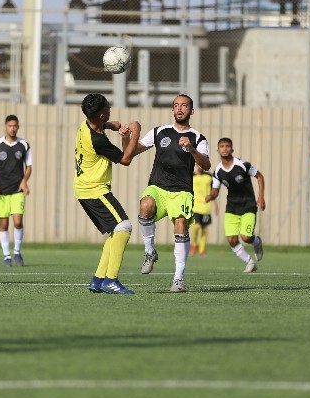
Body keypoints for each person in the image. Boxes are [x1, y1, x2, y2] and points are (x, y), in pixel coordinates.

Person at [134, 94, 211, 293]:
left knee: (181, 225)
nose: (179, 109)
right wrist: (127, 137)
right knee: (145, 205)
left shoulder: (198, 138)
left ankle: (178, 279)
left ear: (191, 111)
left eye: (184, 106)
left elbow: (206, 164)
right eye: (176, 105)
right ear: (172, 109)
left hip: (181, 190)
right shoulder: (159, 131)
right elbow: (133, 150)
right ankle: (150, 252)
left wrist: (191, 149)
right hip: (158, 186)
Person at [75, 93, 141, 294]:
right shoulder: (97, 141)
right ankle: (111, 280)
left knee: (115, 231)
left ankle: (98, 279)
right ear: (102, 115)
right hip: (94, 190)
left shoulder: (86, 125)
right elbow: (126, 159)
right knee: (124, 226)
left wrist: (112, 125)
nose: (110, 108)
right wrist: (135, 132)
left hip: (84, 188)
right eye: (108, 108)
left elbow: (99, 125)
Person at [205, 138, 266, 272]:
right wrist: (211, 196)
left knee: (246, 237)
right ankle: (250, 262)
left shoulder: (242, 165)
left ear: (232, 149)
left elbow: (260, 176)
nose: (225, 148)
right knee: (232, 240)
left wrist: (261, 197)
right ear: (218, 150)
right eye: (222, 146)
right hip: (232, 208)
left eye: (227, 146)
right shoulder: (218, 171)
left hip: (248, 205)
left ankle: (257, 242)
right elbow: (215, 191)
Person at [0, 114, 32, 266]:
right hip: (1, 190)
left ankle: (17, 252)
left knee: (18, 221)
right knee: (4, 225)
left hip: (17, 189)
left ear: (18, 127)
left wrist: (24, 182)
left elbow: (29, 167)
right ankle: (7, 256)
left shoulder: (24, 145)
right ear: (5, 126)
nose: (12, 128)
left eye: (15, 126)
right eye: (10, 126)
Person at [189, 164, 216, 257]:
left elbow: (213, 192)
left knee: (204, 229)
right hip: (195, 206)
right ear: (196, 165)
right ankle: (194, 245)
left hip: (206, 207)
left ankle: (202, 250)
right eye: (198, 165)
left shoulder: (209, 176)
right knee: (196, 226)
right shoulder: (192, 176)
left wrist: (215, 205)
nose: (200, 167)